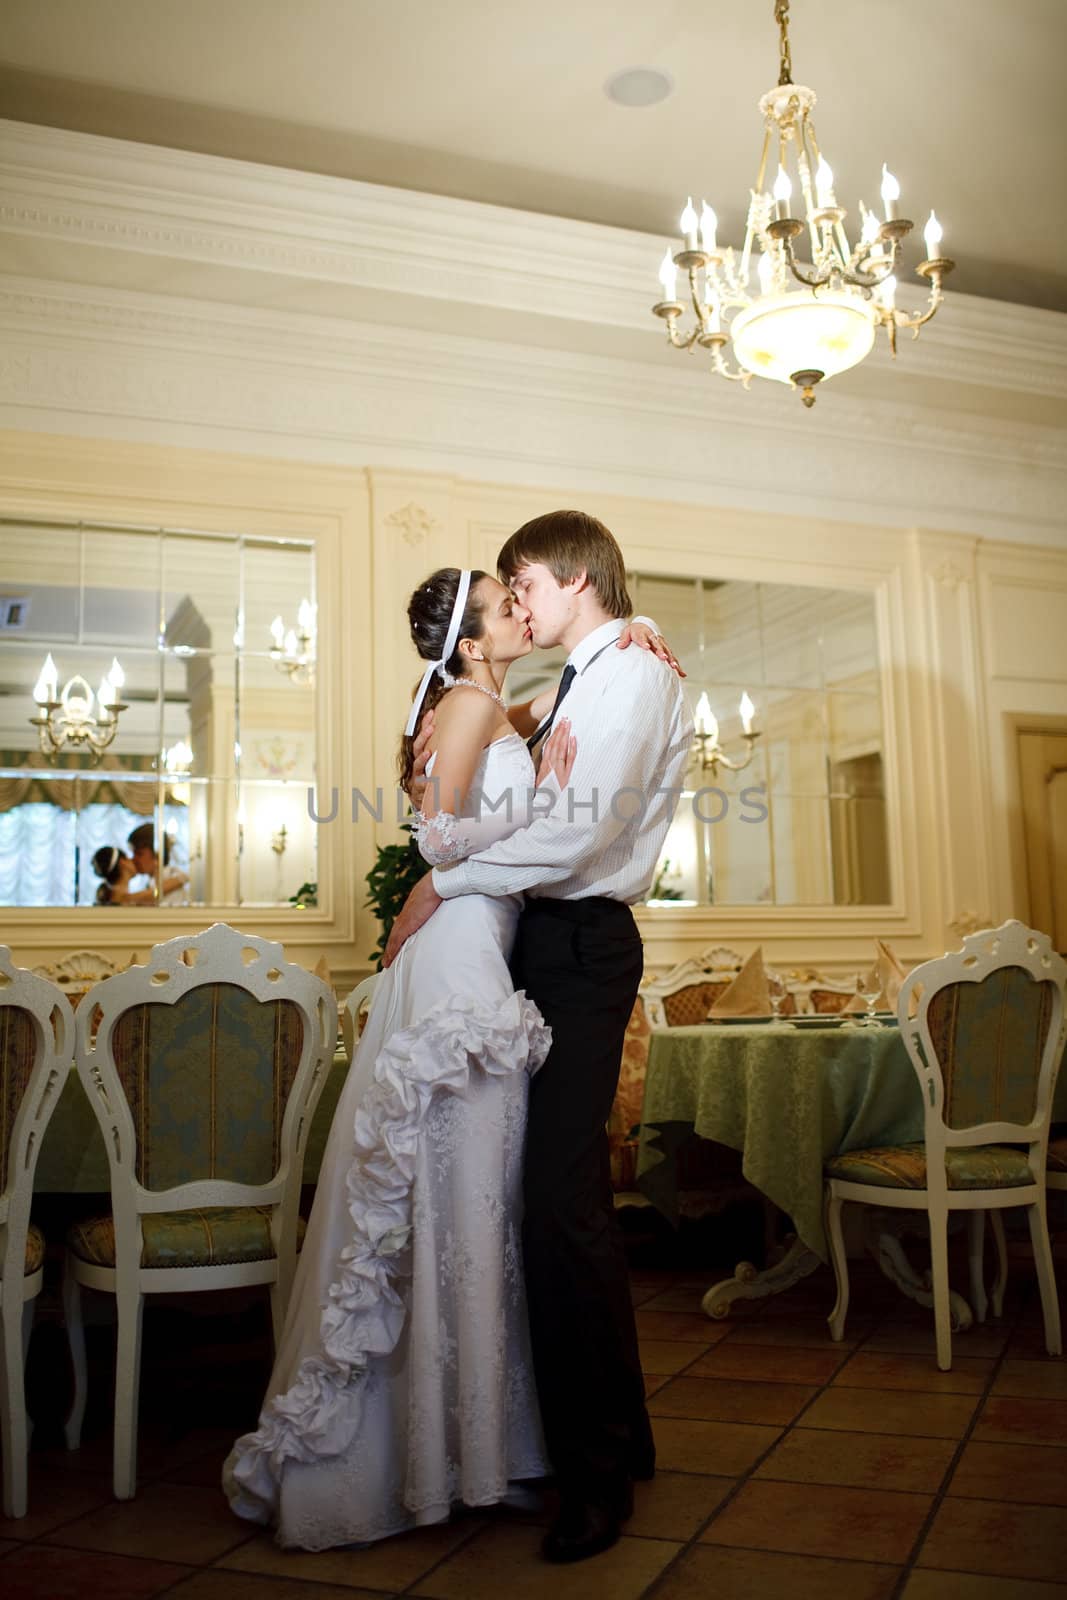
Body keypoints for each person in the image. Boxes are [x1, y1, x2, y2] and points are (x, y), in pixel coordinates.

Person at [224, 566, 582, 1548]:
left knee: (465, 1210)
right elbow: (437, 838)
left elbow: (528, 730)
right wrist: (536, 824)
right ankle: (438, 1466)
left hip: (469, 951)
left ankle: (468, 1452)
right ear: (469, 638)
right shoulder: (468, 703)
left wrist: (617, 648)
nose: (520, 612)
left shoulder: (479, 701)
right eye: (503, 606)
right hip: (461, 967)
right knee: (457, 1209)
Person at [388, 510, 692, 1563]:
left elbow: (575, 834)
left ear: (573, 579)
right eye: (503, 595)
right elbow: (500, 746)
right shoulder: (590, 670)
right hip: (536, 946)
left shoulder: (633, 675)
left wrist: (442, 880)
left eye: (525, 584)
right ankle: (617, 1438)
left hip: (580, 945)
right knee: (549, 1205)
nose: (517, 603)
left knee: (559, 1206)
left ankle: (595, 1477)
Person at [126, 822, 189, 905]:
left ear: (157, 854)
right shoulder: (151, 882)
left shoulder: (171, 876)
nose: (133, 859)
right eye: (133, 854)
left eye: (139, 854)